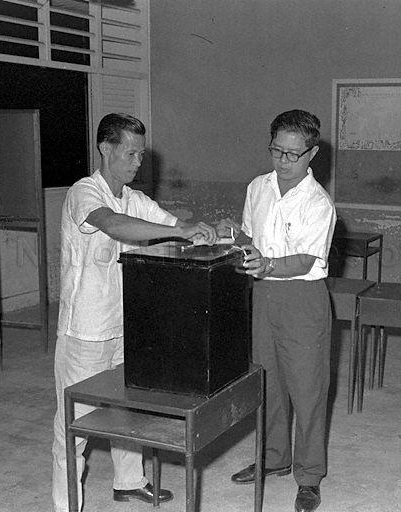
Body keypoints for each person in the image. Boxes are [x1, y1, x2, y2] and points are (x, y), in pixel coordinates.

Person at [51, 113, 217, 512]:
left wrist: (203, 229)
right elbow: (116, 225)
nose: (138, 162)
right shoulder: (84, 193)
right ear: (105, 149)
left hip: (124, 324)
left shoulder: (135, 198)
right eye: (130, 153)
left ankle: (129, 482)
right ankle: (65, 505)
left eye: (141, 155)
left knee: (128, 410)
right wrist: (179, 231)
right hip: (84, 332)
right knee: (73, 425)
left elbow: (174, 223)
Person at [224, 110, 336, 512]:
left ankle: (309, 477)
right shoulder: (258, 187)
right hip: (263, 297)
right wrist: (234, 238)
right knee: (266, 384)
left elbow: (306, 259)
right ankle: (274, 458)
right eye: (277, 151)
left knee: (307, 392)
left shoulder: (317, 202)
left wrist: (267, 263)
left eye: (293, 154)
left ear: (312, 153)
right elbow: (251, 236)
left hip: (302, 301)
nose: (284, 161)